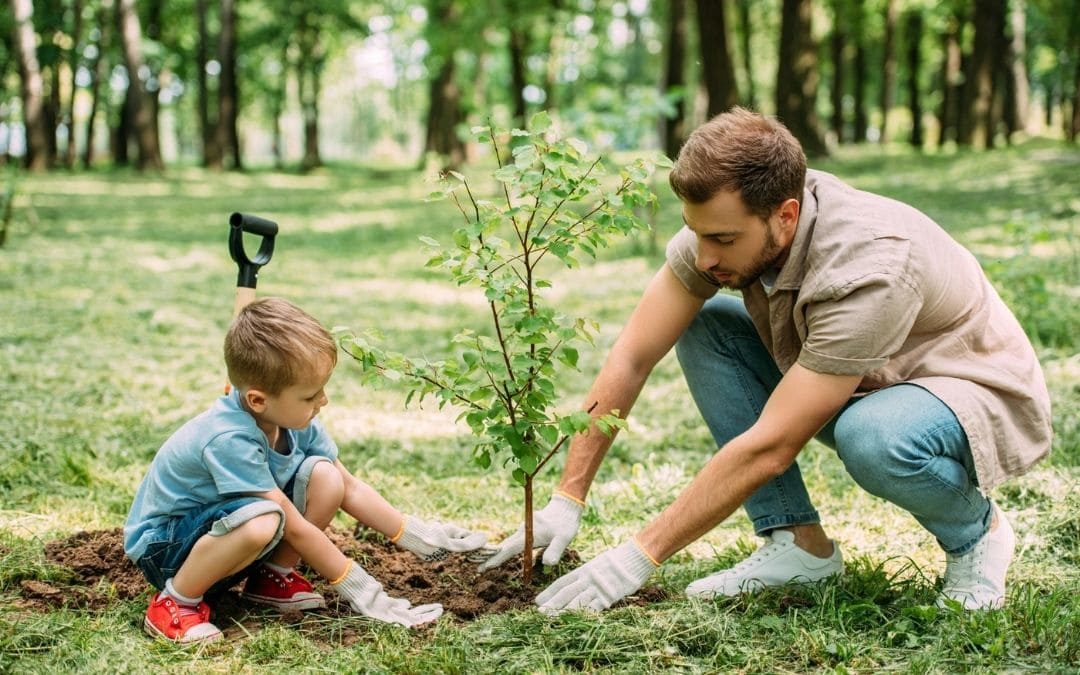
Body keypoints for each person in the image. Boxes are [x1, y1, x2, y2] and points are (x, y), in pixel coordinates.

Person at [479, 107, 1052, 614]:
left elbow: (773, 445)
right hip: (862, 375)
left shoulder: (869, 267)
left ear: (785, 214)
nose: (705, 257)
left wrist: (636, 556)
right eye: (695, 233)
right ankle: (798, 546)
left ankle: (977, 535)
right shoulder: (721, 229)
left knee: (871, 436)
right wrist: (566, 497)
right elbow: (632, 354)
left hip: (965, 390)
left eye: (724, 240)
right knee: (705, 327)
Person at [124, 297, 487, 642]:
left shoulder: (292, 419)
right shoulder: (228, 438)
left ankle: (270, 578)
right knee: (264, 519)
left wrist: (416, 535)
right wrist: (360, 587)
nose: (323, 401)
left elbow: (349, 487)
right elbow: (293, 527)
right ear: (258, 400)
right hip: (167, 550)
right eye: (311, 395)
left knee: (326, 477)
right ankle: (176, 602)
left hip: (221, 536)